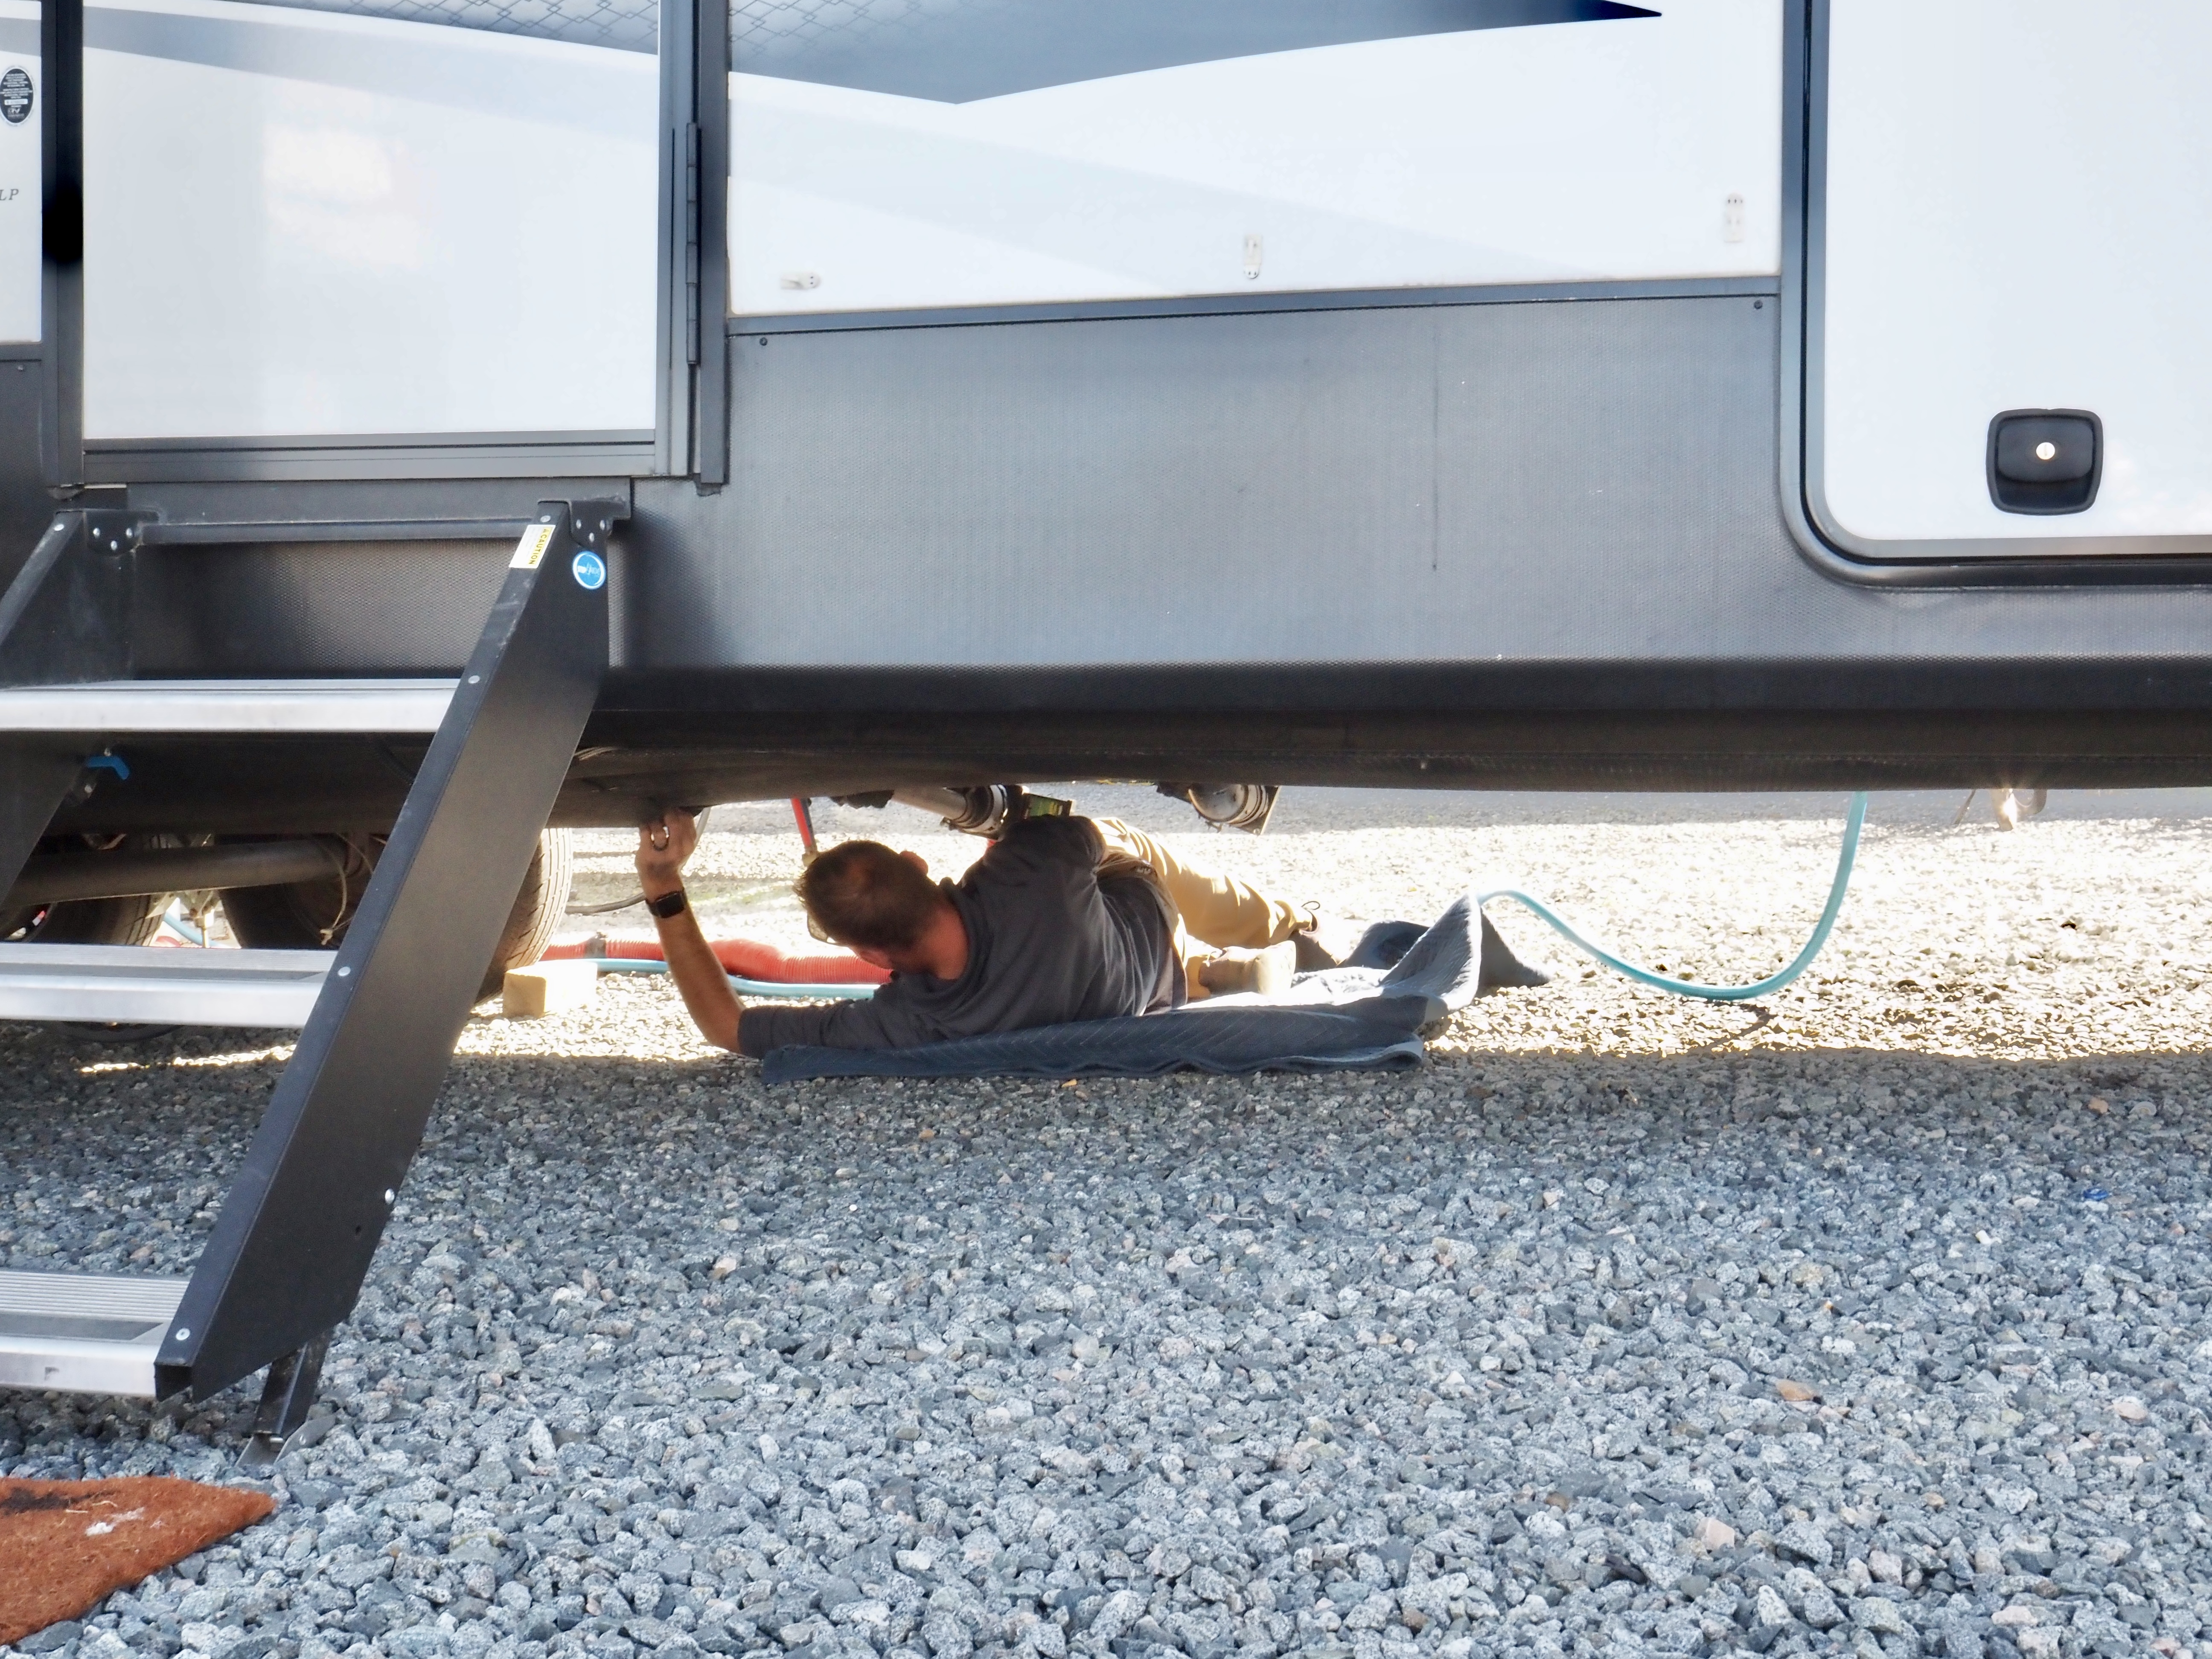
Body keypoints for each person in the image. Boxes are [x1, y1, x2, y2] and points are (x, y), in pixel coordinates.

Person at [632, 806, 1353, 1058]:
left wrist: (664, 887)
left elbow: (725, 1026)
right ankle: (1289, 928)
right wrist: (1002, 834)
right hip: (1142, 922)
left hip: (1130, 999)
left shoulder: (907, 1026)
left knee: (1098, 929)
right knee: (1114, 841)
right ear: (918, 863)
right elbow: (1062, 823)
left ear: (870, 955)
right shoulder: (1032, 872)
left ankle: (1207, 973)